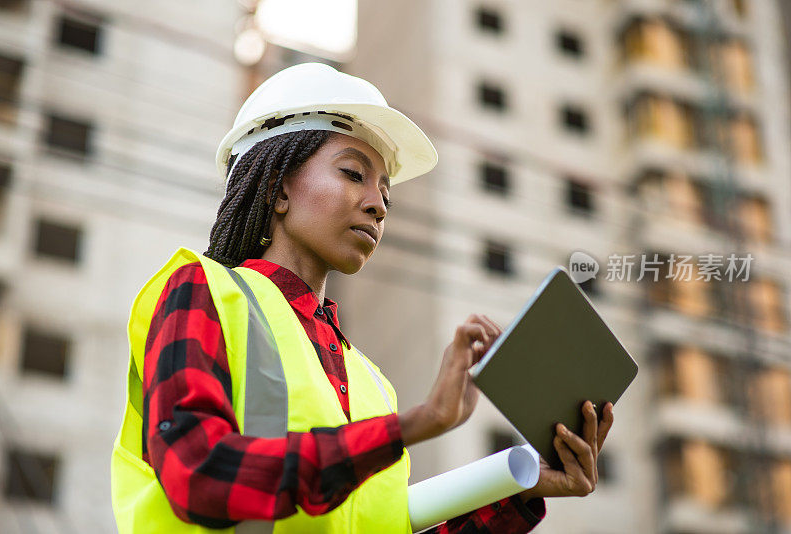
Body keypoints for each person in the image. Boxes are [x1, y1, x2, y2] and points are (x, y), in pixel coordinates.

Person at [111, 62, 614, 533]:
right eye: (353, 174)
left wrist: (523, 487)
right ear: (276, 188)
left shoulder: (372, 385)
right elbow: (198, 472)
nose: (377, 205)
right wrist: (414, 425)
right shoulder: (203, 290)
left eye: (385, 194)